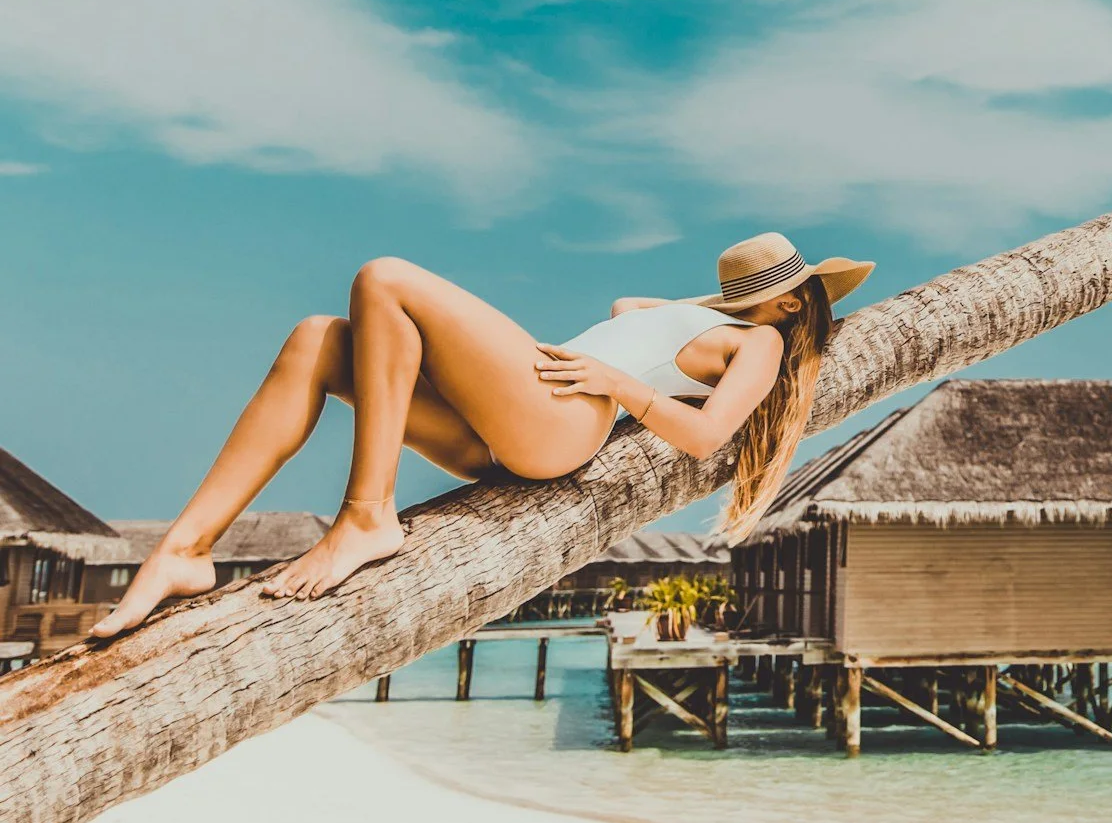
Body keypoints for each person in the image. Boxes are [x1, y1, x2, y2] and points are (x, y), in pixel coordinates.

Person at [90, 233, 872, 639]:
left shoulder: (765, 346)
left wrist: (622, 385)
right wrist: (714, 306)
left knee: (385, 276)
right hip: (503, 427)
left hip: (560, 419)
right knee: (318, 341)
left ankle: (367, 514)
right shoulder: (722, 322)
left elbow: (705, 437)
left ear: (793, 307)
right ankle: (185, 549)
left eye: (772, 292)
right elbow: (631, 302)